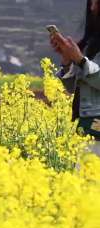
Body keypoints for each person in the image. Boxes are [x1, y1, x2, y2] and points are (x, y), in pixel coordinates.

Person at [51, 0, 100, 156]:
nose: (92, 8)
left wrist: (80, 60)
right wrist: (67, 60)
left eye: (97, 3)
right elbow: (73, 88)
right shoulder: (91, 42)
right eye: (90, 3)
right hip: (87, 126)